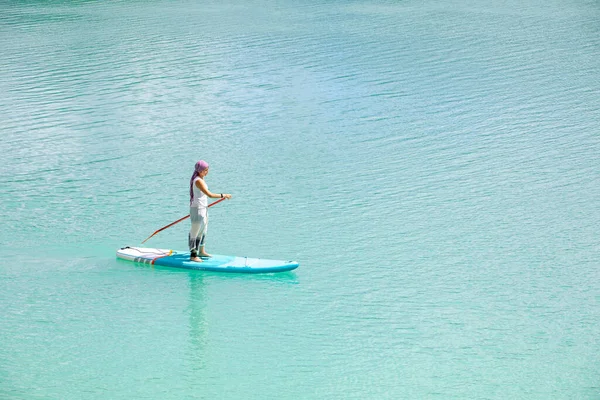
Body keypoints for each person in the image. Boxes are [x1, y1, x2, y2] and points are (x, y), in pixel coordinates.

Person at [189, 160, 231, 262]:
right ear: (200, 170)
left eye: (207, 170)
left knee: (203, 230)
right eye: (205, 170)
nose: (207, 172)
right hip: (197, 209)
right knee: (195, 232)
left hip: (204, 208)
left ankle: (201, 251)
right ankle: (193, 255)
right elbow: (210, 195)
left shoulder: (201, 179)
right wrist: (223, 195)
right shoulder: (198, 180)